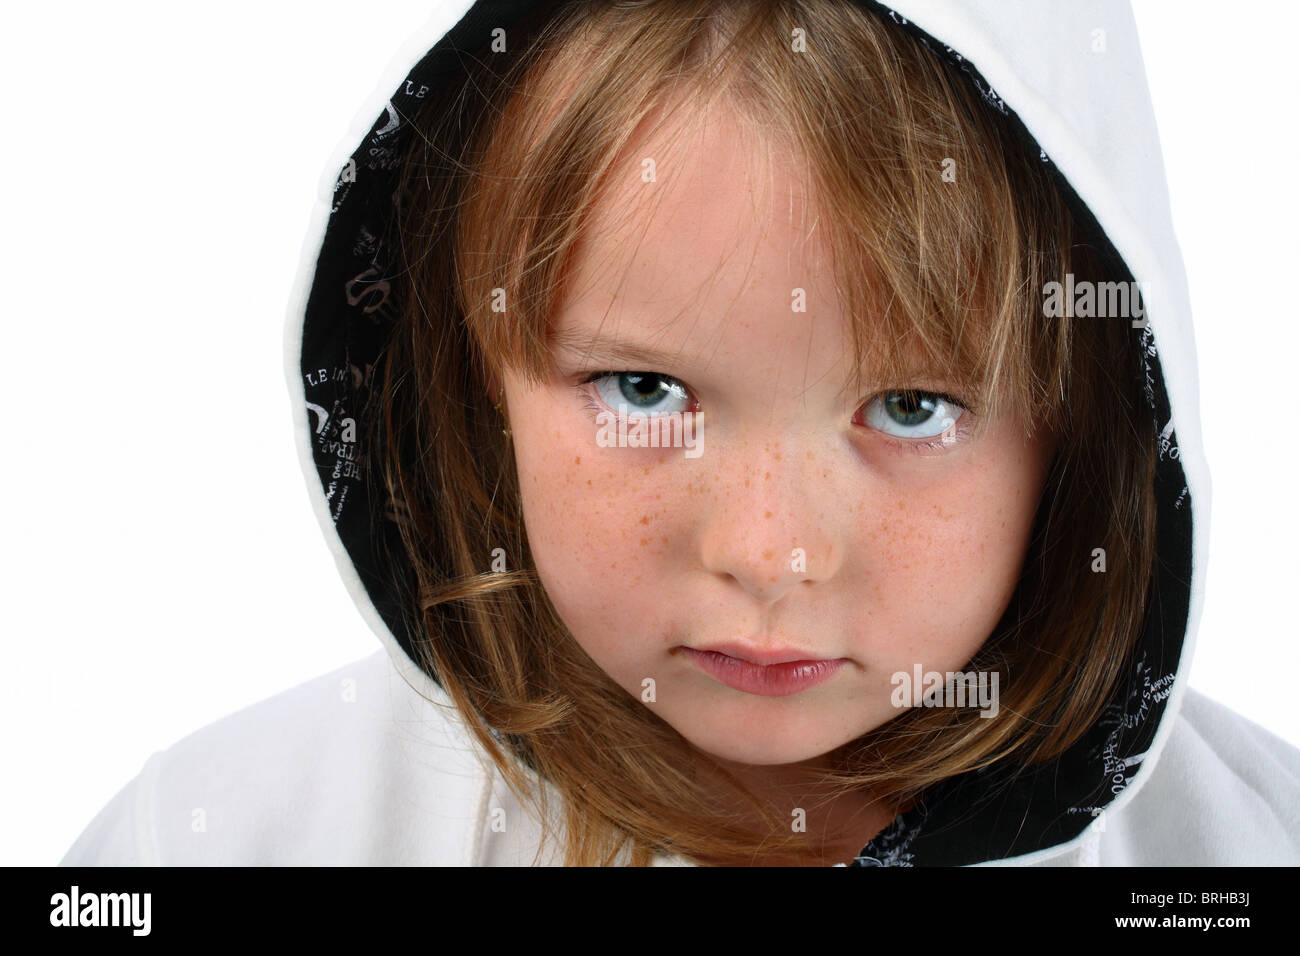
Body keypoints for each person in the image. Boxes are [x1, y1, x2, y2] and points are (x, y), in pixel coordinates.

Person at [61, 0, 1300, 867]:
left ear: (1085, 427)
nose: (770, 553)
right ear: (473, 370)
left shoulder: (1244, 849)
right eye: (644, 391)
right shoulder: (230, 838)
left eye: (912, 407)